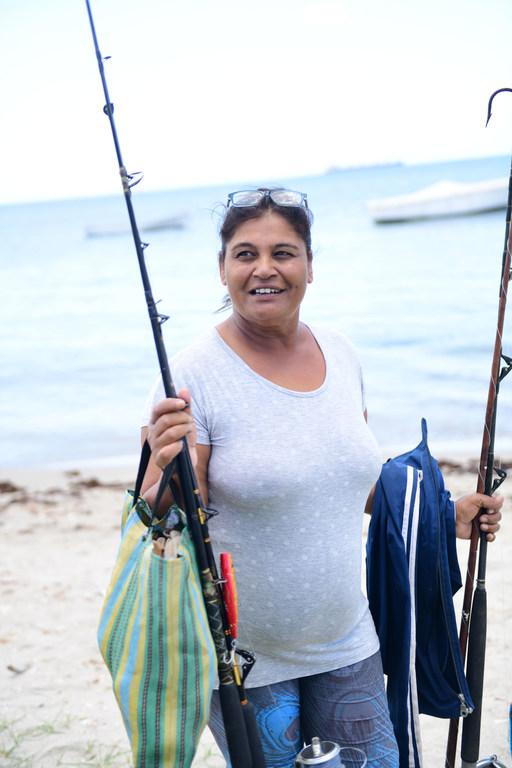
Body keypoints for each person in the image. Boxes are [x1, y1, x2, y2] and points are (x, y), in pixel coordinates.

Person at [139, 188, 503, 768]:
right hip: (244, 657)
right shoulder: (192, 373)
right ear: (222, 269)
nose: (264, 269)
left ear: (309, 264)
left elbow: (347, 479)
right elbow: (168, 514)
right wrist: (161, 465)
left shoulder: (341, 352)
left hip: (348, 637)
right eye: (244, 253)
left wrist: (443, 514)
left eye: (284, 252)